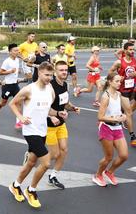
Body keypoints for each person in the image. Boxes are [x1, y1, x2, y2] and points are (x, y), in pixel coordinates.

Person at [8, 62, 58, 209]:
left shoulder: (50, 89)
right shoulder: (28, 89)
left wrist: (56, 114)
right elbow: (12, 103)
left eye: (51, 75)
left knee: (31, 162)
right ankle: (31, 190)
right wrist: (20, 117)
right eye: (47, 75)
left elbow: (47, 109)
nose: (49, 78)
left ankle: (15, 185)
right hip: (30, 131)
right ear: (40, 73)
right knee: (46, 163)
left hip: (42, 130)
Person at [46, 60, 80, 189]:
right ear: (55, 71)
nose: (64, 72)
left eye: (66, 70)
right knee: (54, 154)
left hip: (61, 123)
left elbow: (65, 103)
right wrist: (52, 115)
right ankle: (33, 154)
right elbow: (44, 107)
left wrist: (73, 108)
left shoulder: (65, 85)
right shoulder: (50, 87)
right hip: (49, 125)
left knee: (64, 150)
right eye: (61, 70)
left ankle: (53, 176)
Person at [92, 72, 128, 187]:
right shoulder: (105, 96)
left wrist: (123, 117)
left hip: (117, 128)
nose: (119, 83)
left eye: (120, 81)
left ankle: (109, 172)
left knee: (124, 155)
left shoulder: (118, 94)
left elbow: (119, 111)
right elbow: (100, 116)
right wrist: (114, 119)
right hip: (106, 127)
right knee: (108, 157)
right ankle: (98, 175)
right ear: (110, 82)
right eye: (117, 81)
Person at [109, 42, 136, 147]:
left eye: (133, 49)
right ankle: (133, 137)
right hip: (122, 90)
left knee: (121, 110)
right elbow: (110, 73)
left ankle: (109, 122)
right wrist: (118, 78)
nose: (132, 51)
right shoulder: (119, 62)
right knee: (129, 112)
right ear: (125, 51)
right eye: (130, 49)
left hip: (131, 90)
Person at [0, 43, 22, 129]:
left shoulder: (17, 60)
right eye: (15, 50)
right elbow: (0, 72)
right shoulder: (7, 61)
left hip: (15, 85)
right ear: (10, 52)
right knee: (3, 103)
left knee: (19, 102)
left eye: (17, 50)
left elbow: (16, 70)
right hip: (7, 86)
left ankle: (18, 122)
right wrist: (10, 71)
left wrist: (17, 72)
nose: (17, 52)